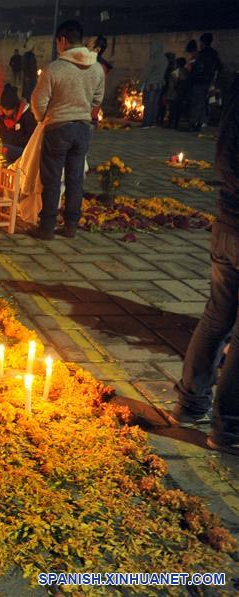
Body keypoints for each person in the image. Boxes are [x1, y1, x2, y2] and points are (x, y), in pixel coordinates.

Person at [168, 77, 238, 455]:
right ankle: (229, 429)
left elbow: (224, 157)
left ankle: (190, 405)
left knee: (217, 313)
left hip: (228, 219)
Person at [29, 20, 104, 240]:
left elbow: (38, 100)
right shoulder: (97, 68)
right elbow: (98, 99)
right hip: (82, 128)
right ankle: (71, 225)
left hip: (58, 128)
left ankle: (47, 227)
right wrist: (83, 110)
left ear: (62, 40)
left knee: (51, 179)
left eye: (57, 43)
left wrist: (44, 117)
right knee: (75, 178)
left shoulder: (55, 68)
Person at [187, 33, 220, 131]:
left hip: (199, 82)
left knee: (197, 103)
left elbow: (198, 69)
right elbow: (218, 67)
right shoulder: (214, 54)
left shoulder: (202, 55)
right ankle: (201, 123)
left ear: (203, 42)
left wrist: (191, 74)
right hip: (209, 82)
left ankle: (193, 123)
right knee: (205, 103)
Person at [0, 84, 36, 162]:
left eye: (9, 109)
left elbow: (31, 138)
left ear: (15, 107)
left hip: (22, 151)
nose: (6, 111)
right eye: (4, 108)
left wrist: (12, 139)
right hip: (3, 148)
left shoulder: (26, 115)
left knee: (5, 150)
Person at [139, 41, 168, 129]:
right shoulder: (164, 59)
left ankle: (146, 123)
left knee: (148, 104)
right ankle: (153, 122)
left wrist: (140, 85)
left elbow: (146, 73)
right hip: (159, 85)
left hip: (150, 85)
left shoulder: (154, 59)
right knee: (155, 104)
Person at [166, 57, 189, 129]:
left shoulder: (175, 73)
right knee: (178, 110)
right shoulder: (186, 72)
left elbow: (171, 85)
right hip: (182, 94)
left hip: (174, 94)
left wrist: (168, 94)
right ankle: (176, 124)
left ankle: (170, 124)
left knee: (172, 110)